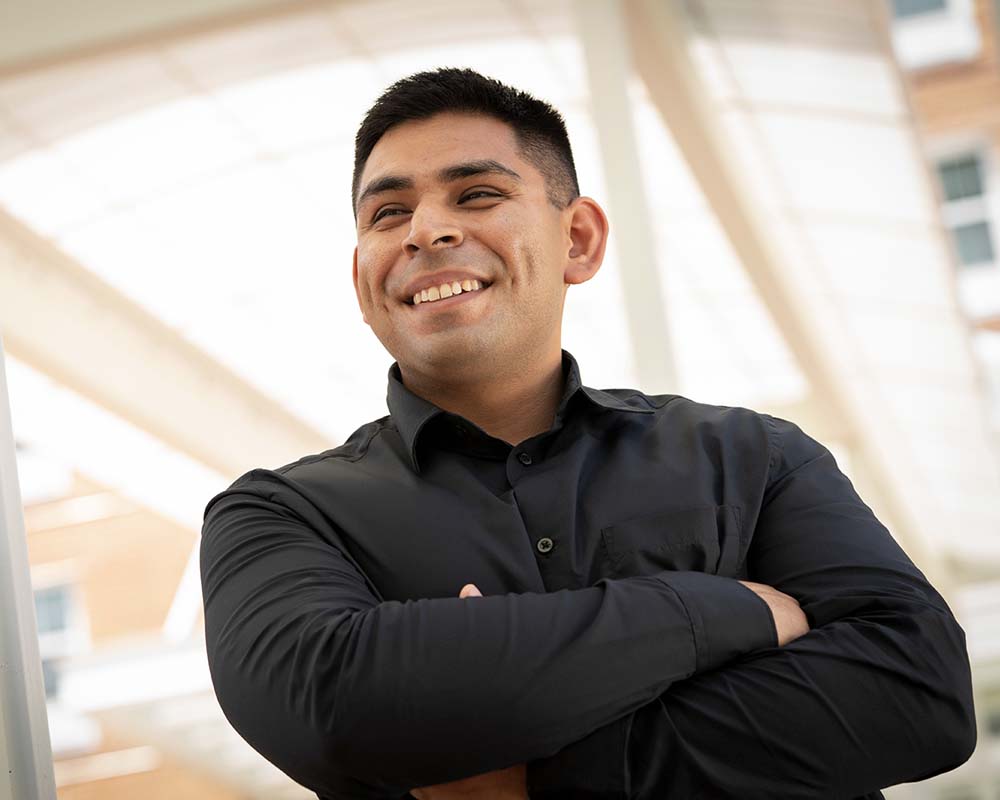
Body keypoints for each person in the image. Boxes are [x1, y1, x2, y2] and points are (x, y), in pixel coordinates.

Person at [199, 68, 977, 800]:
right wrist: (720, 610)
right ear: (364, 280)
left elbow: (917, 691)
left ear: (578, 240)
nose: (425, 231)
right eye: (388, 212)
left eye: (475, 194)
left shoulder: (752, 457)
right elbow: (335, 705)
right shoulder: (279, 516)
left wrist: (538, 773)